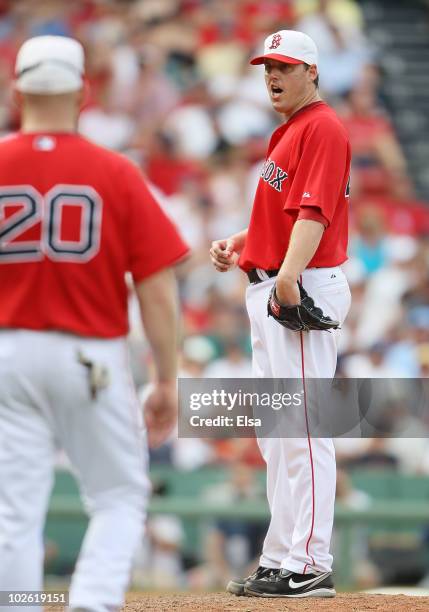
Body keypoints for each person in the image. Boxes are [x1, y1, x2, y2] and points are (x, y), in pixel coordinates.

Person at [0, 36, 189, 612]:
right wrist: (166, 378)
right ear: (84, 91)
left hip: (7, 352)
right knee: (118, 496)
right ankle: (91, 600)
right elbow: (156, 289)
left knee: (14, 508)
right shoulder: (115, 172)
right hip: (89, 355)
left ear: (18, 89)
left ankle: (21, 605)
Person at [210, 29, 351, 598]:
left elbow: (314, 215)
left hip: (299, 284)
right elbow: (286, 215)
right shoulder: (289, 129)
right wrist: (243, 241)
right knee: (277, 433)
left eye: (285, 67)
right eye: (267, 66)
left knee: (305, 428)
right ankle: (281, 555)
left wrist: (288, 279)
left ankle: (310, 560)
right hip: (274, 281)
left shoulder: (321, 126)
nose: (273, 75)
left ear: (311, 72)